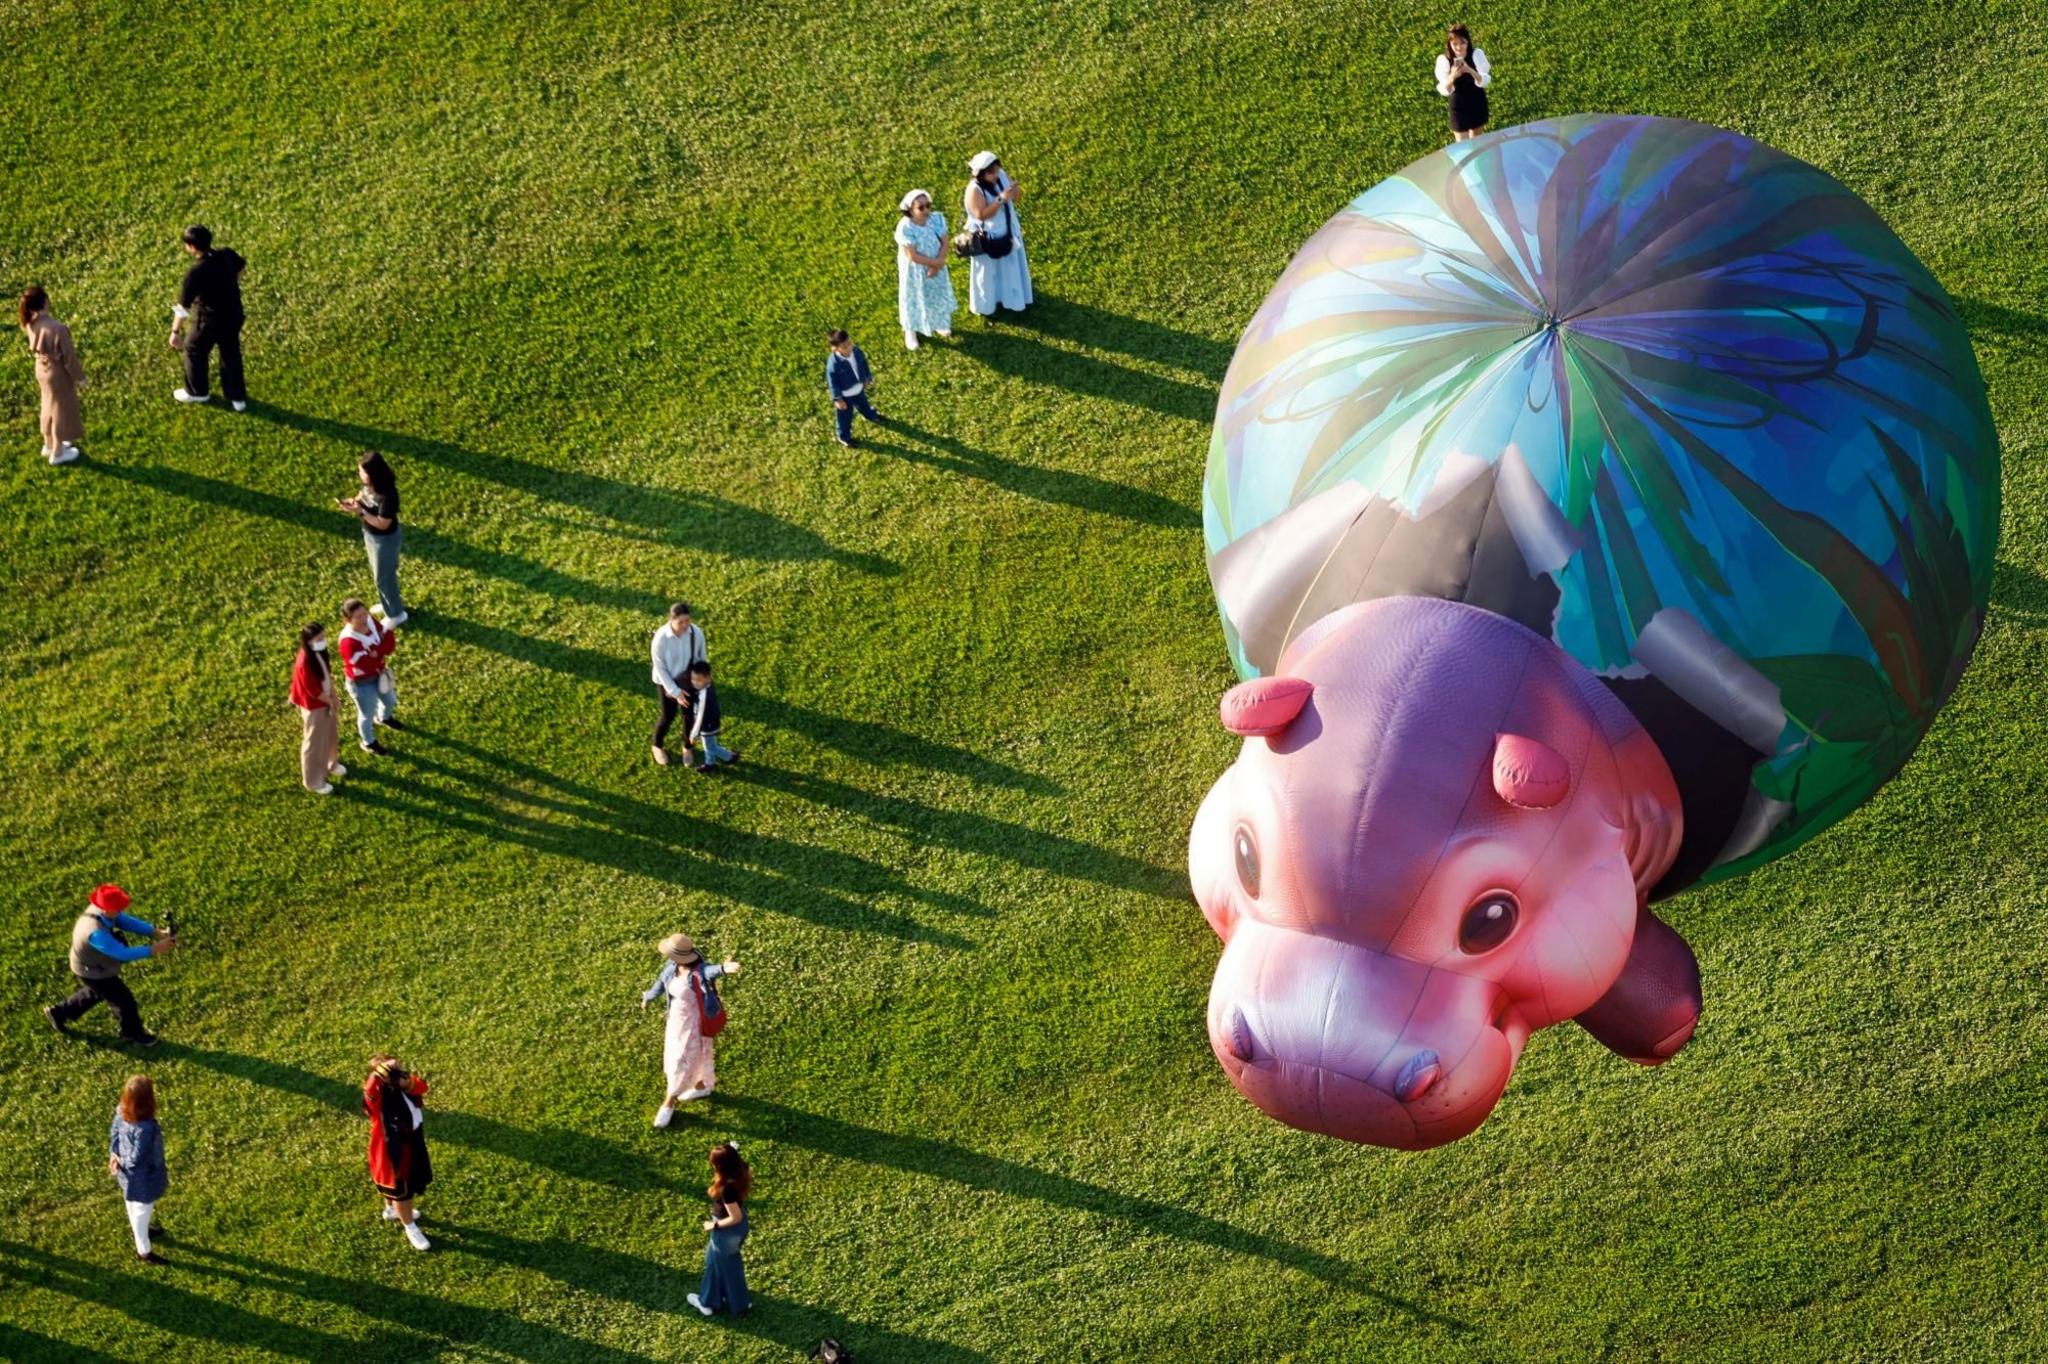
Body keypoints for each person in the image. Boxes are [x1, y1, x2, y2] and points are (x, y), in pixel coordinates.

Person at [44, 884, 174, 1046]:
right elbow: (121, 953)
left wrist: (155, 933)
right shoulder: (94, 932)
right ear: (106, 909)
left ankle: (60, 1013)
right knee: (124, 1001)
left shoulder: (102, 910)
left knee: (98, 992)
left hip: (89, 965)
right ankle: (132, 1034)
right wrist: (154, 949)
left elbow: (126, 921)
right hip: (92, 970)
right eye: (118, 908)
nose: (121, 911)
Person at [642, 934, 740, 1128]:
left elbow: (710, 972)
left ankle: (668, 1102)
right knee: (688, 1056)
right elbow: (660, 985)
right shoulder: (671, 968)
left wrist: (723, 969)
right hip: (676, 1022)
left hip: (694, 1022)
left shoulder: (698, 971)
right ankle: (701, 1086)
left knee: (682, 1059)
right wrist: (647, 997)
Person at [169, 225, 249, 410]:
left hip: (209, 321)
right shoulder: (227, 254)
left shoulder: (195, 272)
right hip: (233, 314)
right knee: (230, 353)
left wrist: (175, 332)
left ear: (191, 247)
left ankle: (197, 393)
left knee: (193, 348)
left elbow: (182, 308)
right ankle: (237, 399)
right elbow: (241, 268)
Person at [363, 1055, 433, 1251]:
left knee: (399, 1186)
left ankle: (391, 1210)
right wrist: (376, 1077)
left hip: (411, 1140)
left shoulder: (402, 1083)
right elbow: (370, 1096)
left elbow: (421, 1087)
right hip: (393, 1149)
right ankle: (409, 1226)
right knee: (402, 1190)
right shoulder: (378, 1094)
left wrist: (403, 1081)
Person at [338, 451, 407, 625]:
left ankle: (396, 614)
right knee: (380, 575)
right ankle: (389, 604)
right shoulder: (370, 486)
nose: (360, 475)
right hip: (371, 535)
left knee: (384, 577)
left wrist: (360, 512)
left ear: (373, 474)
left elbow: (383, 524)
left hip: (385, 540)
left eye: (363, 472)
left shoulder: (388, 496)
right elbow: (362, 497)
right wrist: (353, 503)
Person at [19, 287, 84, 465]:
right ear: (45, 301)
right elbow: (69, 358)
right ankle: (58, 451)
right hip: (56, 371)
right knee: (60, 411)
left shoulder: (30, 322)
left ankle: (48, 444)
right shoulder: (58, 328)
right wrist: (79, 377)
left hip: (41, 368)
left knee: (47, 405)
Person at [687, 1142, 752, 1317]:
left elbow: (734, 1217)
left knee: (718, 1266)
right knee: (722, 1263)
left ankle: (708, 1303)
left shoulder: (726, 1190)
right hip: (738, 1229)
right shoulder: (741, 1170)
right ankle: (734, 1302)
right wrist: (731, 1149)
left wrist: (713, 1225)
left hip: (727, 1230)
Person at [963, 152, 1032, 318]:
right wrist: (1001, 199)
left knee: (1010, 268)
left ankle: (1013, 299)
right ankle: (986, 305)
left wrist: (1015, 192)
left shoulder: (1001, 175)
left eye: (996, 169)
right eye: (990, 172)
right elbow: (981, 214)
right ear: (980, 174)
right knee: (987, 274)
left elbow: (1016, 198)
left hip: (1007, 231)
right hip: (988, 238)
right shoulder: (974, 190)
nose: (995, 175)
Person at [108, 1075, 168, 1265]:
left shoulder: (121, 1111)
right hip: (144, 1178)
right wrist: (122, 1160)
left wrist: (115, 1155)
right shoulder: (146, 1127)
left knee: (134, 1207)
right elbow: (136, 1158)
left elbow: (114, 1134)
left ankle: (143, 1232)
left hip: (127, 1176)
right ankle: (144, 1251)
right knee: (140, 1213)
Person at [338, 597, 402, 754]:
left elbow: (389, 643)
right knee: (366, 714)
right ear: (348, 619)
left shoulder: (370, 621)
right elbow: (366, 664)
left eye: (364, 613)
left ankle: (383, 718)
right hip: (361, 683)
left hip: (378, 673)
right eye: (358, 617)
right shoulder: (348, 642)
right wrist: (380, 649)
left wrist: (377, 652)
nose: (364, 619)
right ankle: (368, 742)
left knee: (390, 701)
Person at [290, 622, 348, 794]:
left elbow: (327, 676)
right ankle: (313, 781)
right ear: (308, 641)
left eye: (323, 637)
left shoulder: (319, 653)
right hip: (316, 706)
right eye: (319, 638)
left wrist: (334, 697)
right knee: (314, 743)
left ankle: (331, 762)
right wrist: (330, 701)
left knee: (331, 733)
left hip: (325, 701)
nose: (323, 640)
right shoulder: (304, 662)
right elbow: (313, 691)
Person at [894, 189, 955, 350]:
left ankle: (940, 322)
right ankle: (910, 331)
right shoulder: (905, 227)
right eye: (921, 207)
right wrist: (935, 264)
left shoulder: (936, 219)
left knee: (937, 293)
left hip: (936, 263)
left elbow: (945, 242)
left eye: (928, 205)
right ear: (910, 210)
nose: (926, 210)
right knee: (913, 297)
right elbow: (912, 255)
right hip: (915, 270)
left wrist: (938, 262)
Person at [651, 601, 708, 767]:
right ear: (671, 620)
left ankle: (687, 747)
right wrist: (675, 691)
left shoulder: (696, 633)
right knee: (667, 716)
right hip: (666, 682)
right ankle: (657, 745)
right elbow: (660, 668)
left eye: (687, 621)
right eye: (680, 622)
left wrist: (699, 682)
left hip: (689, 681)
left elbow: (701, 658)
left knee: (689, 716)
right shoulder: (661, 638)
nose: (685, 625)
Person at [825, 330, 885, 449]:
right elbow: (833, 382)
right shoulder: (834, 364)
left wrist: (867, 377)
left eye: (850, 342)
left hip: (858, 388)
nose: (849, 347)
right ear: (835, 349)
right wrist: (837, 399)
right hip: (845, 394)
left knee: (864, 404)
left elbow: (863, 364)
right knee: (845, 417)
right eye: (845, 346)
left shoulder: (856, 351)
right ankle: (844, 436)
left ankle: (870, 415)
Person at [1435, 24, 1492, 141]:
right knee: (1462, 145)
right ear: (1450, 44)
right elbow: (1444, 89)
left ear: (1468, 42)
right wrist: (1452, 76)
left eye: (1462, 43)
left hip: (1477, 101)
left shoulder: (1476, 54)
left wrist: (1470, 70)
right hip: (1458, 106)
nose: (1459, 47)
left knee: (1477, 142)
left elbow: (1484, 80)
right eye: (1455, 44)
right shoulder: (1444, 60)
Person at [686, 661, 738, 771]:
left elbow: (700, 717)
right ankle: (711, 762)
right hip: (712, 722)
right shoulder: (707, 687)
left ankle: (729, 757)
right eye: (693, 679)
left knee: (710, 747)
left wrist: (693, 735)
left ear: (708, 679)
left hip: (707, 726)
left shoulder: (703, 695)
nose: (695, 683)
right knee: (710, 745)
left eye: (698, 680)